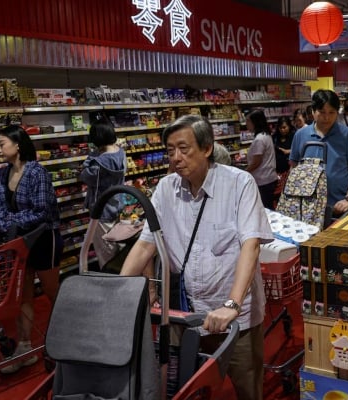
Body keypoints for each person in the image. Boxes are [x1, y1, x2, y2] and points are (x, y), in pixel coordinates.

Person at [120, 115, 272, 400]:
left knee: (248, 389)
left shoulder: (240, 184)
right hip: (184, 315)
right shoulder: (166, 189)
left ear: (206, 148)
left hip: (235, 318)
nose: (175, 157)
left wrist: (232, 304)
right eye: (169, 150)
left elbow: (250, 246)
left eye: (183, 148)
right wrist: (117, 294)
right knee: (183, 388)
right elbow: (144, 246)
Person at [0, 125, 63, 374]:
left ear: (18, 145)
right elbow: (0, 205)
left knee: (51, 291)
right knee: (23, 294)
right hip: (19, 242)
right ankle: (24, 348)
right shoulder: (3, 173)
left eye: (2, 143)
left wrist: (3, 223)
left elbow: (41, 213)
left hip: (44, 239)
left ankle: (65, 334)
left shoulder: (38, 173)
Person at [289, 89, 348, 216]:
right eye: (322, 112)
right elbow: (294, 167)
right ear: (313, 111)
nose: (327, 117)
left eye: (332, 112)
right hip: (307, 207)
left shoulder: (347, 135)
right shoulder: (301, 135)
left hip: (339, 207)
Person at [79, 118, 127, 267]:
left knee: (105, 253)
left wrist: (90, 159)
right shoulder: (121, 153)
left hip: (101, 210)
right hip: (117, 204)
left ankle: (110, 280)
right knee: (118, 246)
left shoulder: (98, 164)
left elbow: (85, 176)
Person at [245, 110, 278, 209]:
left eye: (248, 121)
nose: (247, 124)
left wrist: (244, 172)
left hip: (263, 180)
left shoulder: (259, 139)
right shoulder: (266, 135)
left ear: (255, 122)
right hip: (269, 178)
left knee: (264, 208)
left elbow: (256, 162)